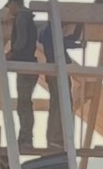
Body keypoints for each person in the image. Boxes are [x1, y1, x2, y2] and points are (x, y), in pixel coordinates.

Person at [38, 12, 89, 150]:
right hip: (57, 72)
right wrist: (79, 45)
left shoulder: (47, 31)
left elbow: (69, 38)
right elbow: (62, 43)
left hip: (58, 71)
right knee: (59, 105)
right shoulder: (49, 32)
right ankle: (56, 138)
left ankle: (57, 138)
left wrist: (79, 26)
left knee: (60, 104)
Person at [5, 0, 39, 149]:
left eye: (9, 6)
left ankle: (26, 138)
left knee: (23, 103)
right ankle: (26, 137)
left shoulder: (21, 18)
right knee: (25, 102)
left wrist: (12, 53)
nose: (9, 10)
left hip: (25, 65)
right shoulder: (27, 18)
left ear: (14, 3)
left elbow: (21, 40)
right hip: (30, 64)